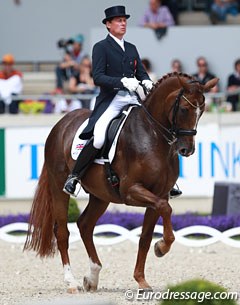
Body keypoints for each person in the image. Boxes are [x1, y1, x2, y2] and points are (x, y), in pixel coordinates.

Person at [63, 5, 181, 198]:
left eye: (124, 20)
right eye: (118, 20)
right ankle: (74, 176)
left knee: (157, 130)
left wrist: (147, 83)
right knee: (100, 135)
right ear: (108, 25)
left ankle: (170, 180)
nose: (123, 23)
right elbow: (98, 77)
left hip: (133, 98)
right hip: (112, 99)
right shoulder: (101, 47)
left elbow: (141, 73)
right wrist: (122, 81)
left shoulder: (131, 48)